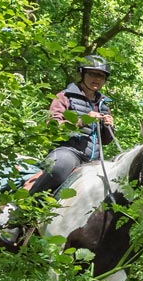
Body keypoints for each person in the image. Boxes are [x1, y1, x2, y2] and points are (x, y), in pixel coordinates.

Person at [28, 55, 119, 195]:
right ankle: (27, 204)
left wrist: (109, 127)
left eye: (102, 76)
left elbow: (106, 141)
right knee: (59, 166)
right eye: (93, 74)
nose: (97, 79)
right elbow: (52, 126)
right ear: (82, 74)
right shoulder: (64, 97)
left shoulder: (103, 105)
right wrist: (82, 121)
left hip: (94, 159)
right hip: (68, 152)